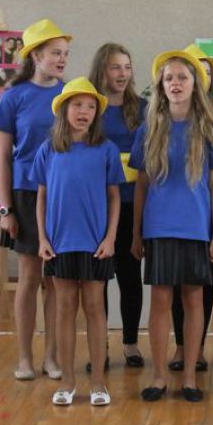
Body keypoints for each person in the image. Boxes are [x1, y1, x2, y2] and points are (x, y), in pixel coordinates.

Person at [129, 49, 213, 403]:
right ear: (161, 85)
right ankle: (159, 376)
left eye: (182, 77)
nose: (175, 83)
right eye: (169, 78)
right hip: (159, 227)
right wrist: (136, 232)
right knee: (160, 300)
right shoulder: (149, 128)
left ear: (195, 84)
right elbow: (141, 185)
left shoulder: (208, 128)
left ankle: (189, 376)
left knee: (193, 299)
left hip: (196, 228)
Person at [34, 77, 123, 406]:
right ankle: (68, 382)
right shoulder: (49, 149)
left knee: (95, 308)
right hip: (59, 244)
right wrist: (42, 238)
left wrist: (110, 238)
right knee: (64, 308)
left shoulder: (106, 149)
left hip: (95, 244)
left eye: (90, 106)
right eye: (77, 105)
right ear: (64, 110)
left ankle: (98, 383)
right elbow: (41, 197)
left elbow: (114, 197)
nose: (84, 111)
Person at [0, 18, 71, 381]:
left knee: (55, 280)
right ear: (36, 56)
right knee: (29, 277)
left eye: (66, 53)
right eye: (56, 52)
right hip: (26, 195)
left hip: (63, 195)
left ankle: (52, 357)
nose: (62, 59)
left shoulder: (70, 94)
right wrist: (5, 208)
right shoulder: (13, 97)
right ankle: (24, 358)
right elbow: (2, 158)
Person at [167, 44, 213, 373]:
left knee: (199, 286)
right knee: (174, 287)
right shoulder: (162, 120)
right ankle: (180, 347)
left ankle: (198, 348)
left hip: (203, 215)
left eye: (205, 73)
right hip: (171, 219)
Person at [89, 43, 148, 370]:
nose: (122, 73)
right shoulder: (91, 107)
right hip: (97, 204)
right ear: (102, 70)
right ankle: (100, 346)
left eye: (127, 67)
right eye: (115, 67)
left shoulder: (143, 108)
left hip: (132, 203)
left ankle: (130, 343)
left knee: (129, 274)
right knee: (98, 278)